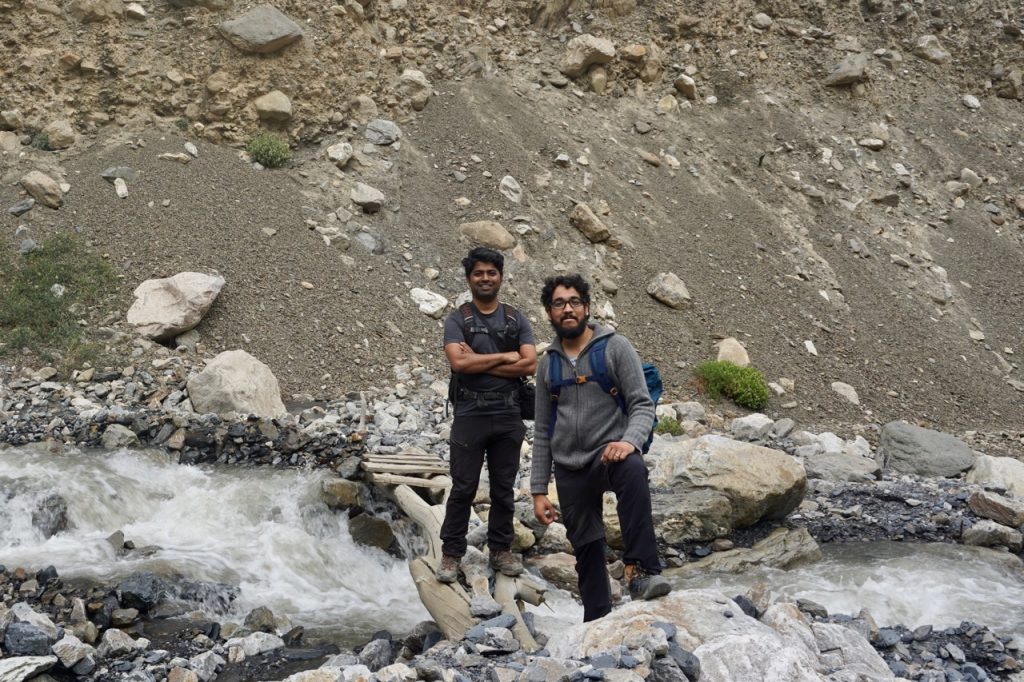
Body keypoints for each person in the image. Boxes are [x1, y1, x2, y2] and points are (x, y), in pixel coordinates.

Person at [531, 273, 671, 622]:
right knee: (587, 547)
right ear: (550, 313)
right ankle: (596, 620)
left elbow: (642, 404)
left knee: (634, 470)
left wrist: (629, 441)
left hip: (608, 455)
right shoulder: (547, 362)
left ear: (587, 307)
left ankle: (641, 571)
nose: (568, 309)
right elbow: (544, 430)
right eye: (559, 304)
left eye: (574, 302)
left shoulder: (615, 347)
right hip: (568, 467)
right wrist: (538, 491)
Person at [437, 247, 537, 583]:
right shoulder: (458, 318)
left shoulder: (515, 318)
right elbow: (458, 363)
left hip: (508, 413)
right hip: (469, 413)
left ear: (501, 276)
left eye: (491, 273)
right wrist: (508, 358)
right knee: (463, 487)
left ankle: (501, 549)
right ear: (469, 278)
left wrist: (480, 358)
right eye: (478, 273)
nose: (485, 278)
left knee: (503, 489)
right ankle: (451, 554)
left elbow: (530, 363)